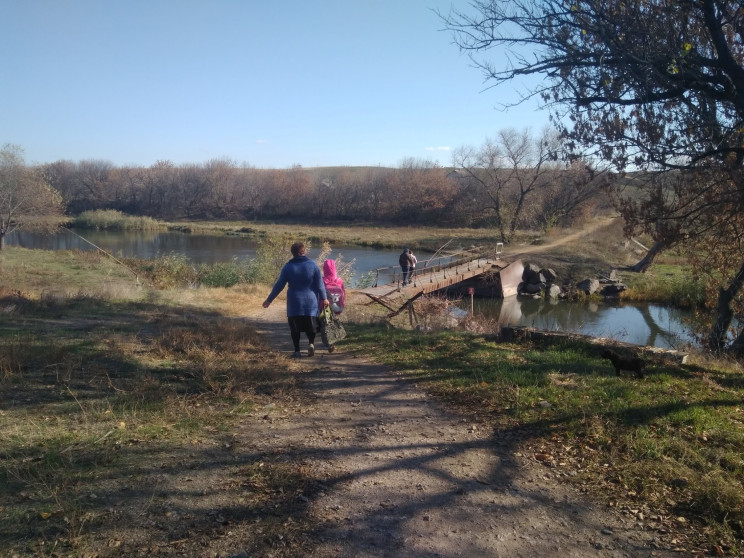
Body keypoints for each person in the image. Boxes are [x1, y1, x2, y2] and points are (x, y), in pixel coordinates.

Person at [263, 242, 329, 358]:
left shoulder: (288, 267)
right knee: (311, 326)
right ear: (304, 251)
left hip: (295, 303)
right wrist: (324, 298)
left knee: (295, 328)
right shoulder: (313, 265)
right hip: (311, 302)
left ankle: (297, 351)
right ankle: (311, 344)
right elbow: (320, 285)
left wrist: (269, 300)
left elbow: (279, 285)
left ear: (292, 253)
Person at [321, 258, 347, 353]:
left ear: (324, 269)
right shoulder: (339, 280)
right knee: (334, 321)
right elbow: (343, 293)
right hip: (337, 306)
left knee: (326, 323)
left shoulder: (322, 280)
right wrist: (342, 305)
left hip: (325, 306)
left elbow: (319, 293)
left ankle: (328, 342)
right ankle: (333, 340)